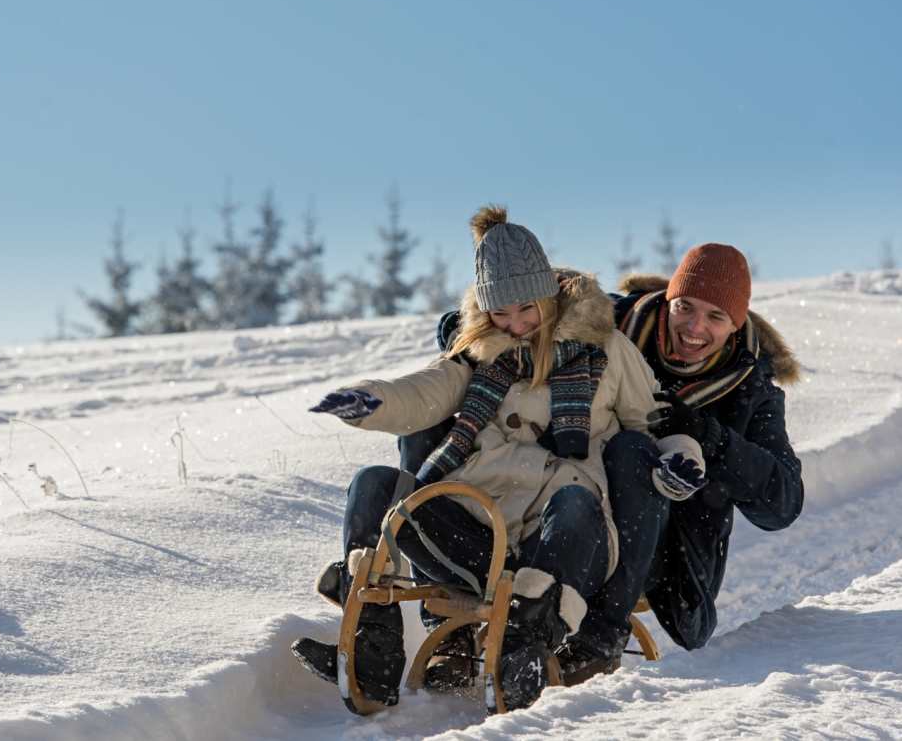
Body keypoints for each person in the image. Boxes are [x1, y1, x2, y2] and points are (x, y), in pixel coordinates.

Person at [291, 206, 695, 712]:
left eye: (525, 308)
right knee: (375, 484)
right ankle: (374, 649)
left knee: (573, 501)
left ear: (548, 294)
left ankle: (526, 647)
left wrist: (682, 456)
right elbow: (425, 391)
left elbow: (656, 424)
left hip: (565, 539)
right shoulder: (479, 351)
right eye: (499, 313)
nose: (516, 324)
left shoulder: (606, 350)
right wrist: (370, 399)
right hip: (480, 535)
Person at [403, 241, 803, 685]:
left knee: (633, 449)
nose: (694, 327)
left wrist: (711, 438)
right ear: (669, 298)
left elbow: (782, 503)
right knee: (429, 419)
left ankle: (599, 637)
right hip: (538, 496)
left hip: (645, 537)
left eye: (715, 317)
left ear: (736, 323)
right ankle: (449, 620)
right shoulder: (609, 321)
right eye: (685, 307)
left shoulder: (750, 391)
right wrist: (479, 338)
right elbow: (513, 308)